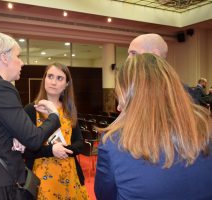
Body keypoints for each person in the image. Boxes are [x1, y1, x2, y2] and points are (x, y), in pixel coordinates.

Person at [94, 53, 212, 200]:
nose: (118, 107)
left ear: (134, 96)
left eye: (121, 98)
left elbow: (105, 196)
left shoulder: (113, 143)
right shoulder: (206, 128)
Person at [0, 31, 61, 200]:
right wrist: (54, 116)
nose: (22, 62)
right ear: (4, 57)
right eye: (18, 56)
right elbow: (34, 139)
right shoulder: (1, 88)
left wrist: (12, 138)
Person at [23, 63, 89, 199]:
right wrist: (51, 150)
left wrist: (65, 150)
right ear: (44, 79)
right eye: (50, 76)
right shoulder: (31, 110)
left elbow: (79, 142)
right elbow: (25, 149)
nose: (53, 82)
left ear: (66, 84)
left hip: (69, 175)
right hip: (40, 177)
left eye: (59, 78)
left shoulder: (69, 109)